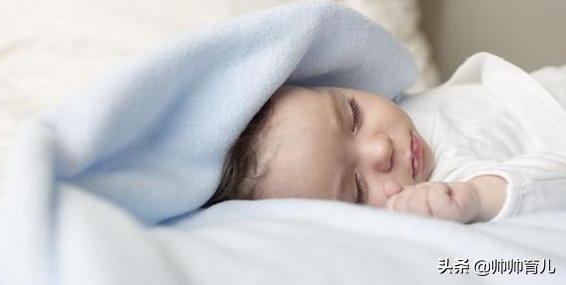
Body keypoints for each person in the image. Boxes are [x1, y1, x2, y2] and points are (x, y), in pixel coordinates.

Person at [202, 53, 566, 223]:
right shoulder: (442, 188)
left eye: (354, 115)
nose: (380, 150)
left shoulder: (402, 103)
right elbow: (551, 183)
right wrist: (480, 198)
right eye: (357, 189)